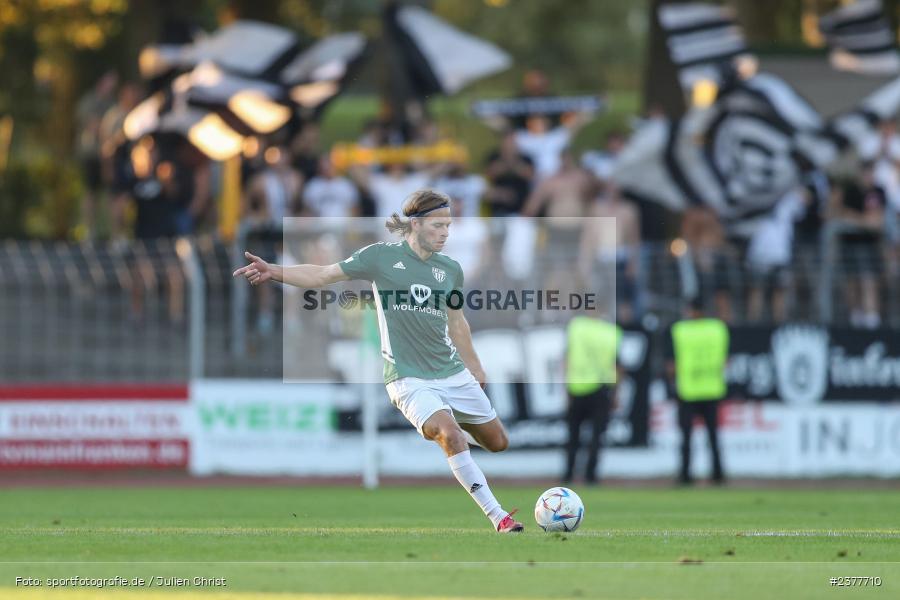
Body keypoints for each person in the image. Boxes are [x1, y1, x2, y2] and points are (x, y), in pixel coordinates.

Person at [233, 189, 525, 533]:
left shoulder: (450, 270)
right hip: (407, 378)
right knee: (452, 435)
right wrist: (275, 271)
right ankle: (498, 517)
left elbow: (457, 321)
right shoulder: (380, 258)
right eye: (439, 225)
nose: (446, 233)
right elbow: (323, 275)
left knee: (498, 442)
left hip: (451, 372)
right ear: (416, 225)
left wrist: (474, 365)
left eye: (449, 226)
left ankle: (452, 437)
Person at [666, 299, 729, 486]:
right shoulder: (717, 329)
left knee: (686, 437)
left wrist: (671, 383)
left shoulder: (680, 330)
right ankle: (718, 475)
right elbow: (725, 359)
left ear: (691, 310)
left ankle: (685, 476)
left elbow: (671, 365)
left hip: (688, 390)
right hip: (712, 389)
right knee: (713, 436)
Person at [562, 310, 622, 486]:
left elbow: (567, 358)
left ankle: (568, 475)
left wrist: (565, 387)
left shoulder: (576, 327)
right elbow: (617, 365)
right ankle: (590, 476)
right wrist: (617, 392)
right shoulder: (611, 331)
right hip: (601, 388)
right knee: (597, 436)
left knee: (573, 436)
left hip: (576, 387)